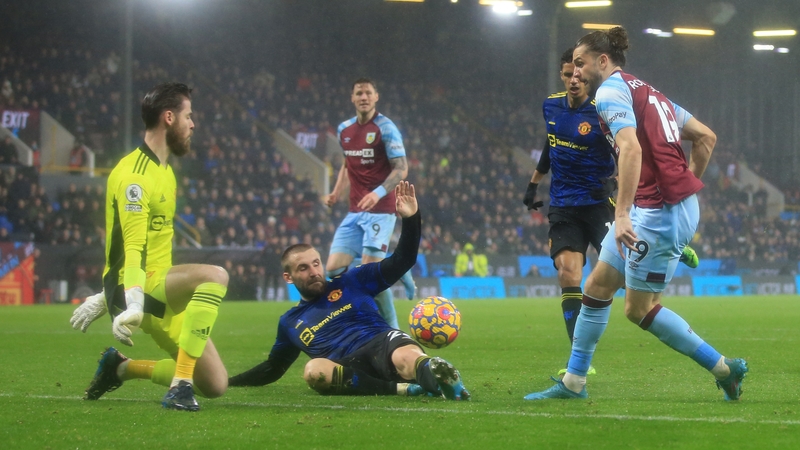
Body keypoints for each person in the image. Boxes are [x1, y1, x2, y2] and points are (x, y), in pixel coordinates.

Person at [524, 27, 747, 401]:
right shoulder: (646, 90)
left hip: (657, 213)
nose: (574, 72)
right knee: (595, 287)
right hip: (659, 205)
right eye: (572, 66)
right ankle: (574, 383)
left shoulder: (610, 92)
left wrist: (625, 214)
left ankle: (725, 368)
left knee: (639, 309)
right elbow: (706, 137)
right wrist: (683, 184)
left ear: (602, 61)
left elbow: (631, 150)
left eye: (580, 64)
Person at [523, 48, 701, 376]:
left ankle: (674, 249)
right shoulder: (551, 104)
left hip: (599, 202)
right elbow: (550, 145)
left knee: (621, 282)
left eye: (578, 73)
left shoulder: (603, 108)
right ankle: (576, 364)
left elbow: (625, 147)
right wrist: (534, 185)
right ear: (562, 76)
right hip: (563, 204)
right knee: (569, 273)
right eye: (567, 74)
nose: (574, 79)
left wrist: (620, 184)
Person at [69, 83, 230, 411]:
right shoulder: (134, 176)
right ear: (169, 118)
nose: (193, 124)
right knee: (215, 275)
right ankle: (180, 388)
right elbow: (133, 249)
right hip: (143, 288)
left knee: (216, 384)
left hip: (158, 284)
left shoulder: (166, 171)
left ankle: (121, 368)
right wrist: (126, 298)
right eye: (189, 116)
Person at [229, 182, 469, 400]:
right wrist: (227, 383)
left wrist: (411, 218)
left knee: (407, 358)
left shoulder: (352, 279)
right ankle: (405, 389)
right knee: (314, 371)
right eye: (303, 268)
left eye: (316, 263)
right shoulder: (289, 322)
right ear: (288, 277)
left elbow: (402, 260)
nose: (313, 271)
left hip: (382, 342)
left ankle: (443, 380)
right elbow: (273, 369)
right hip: (348, 366)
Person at [324, 78, 411, 329]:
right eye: (359, 93)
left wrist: (379, 192)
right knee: (333, 269)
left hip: (382, 210)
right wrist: (336, 191)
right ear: (352, 98)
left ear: (376, 97)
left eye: (368, 93)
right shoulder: (344, 129)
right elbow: (346, 163)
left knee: (370, 275)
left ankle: (392, 330)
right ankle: (393, 265)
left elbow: (402, 168)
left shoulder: (386, 128)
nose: (363, 97)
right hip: (355, 209)